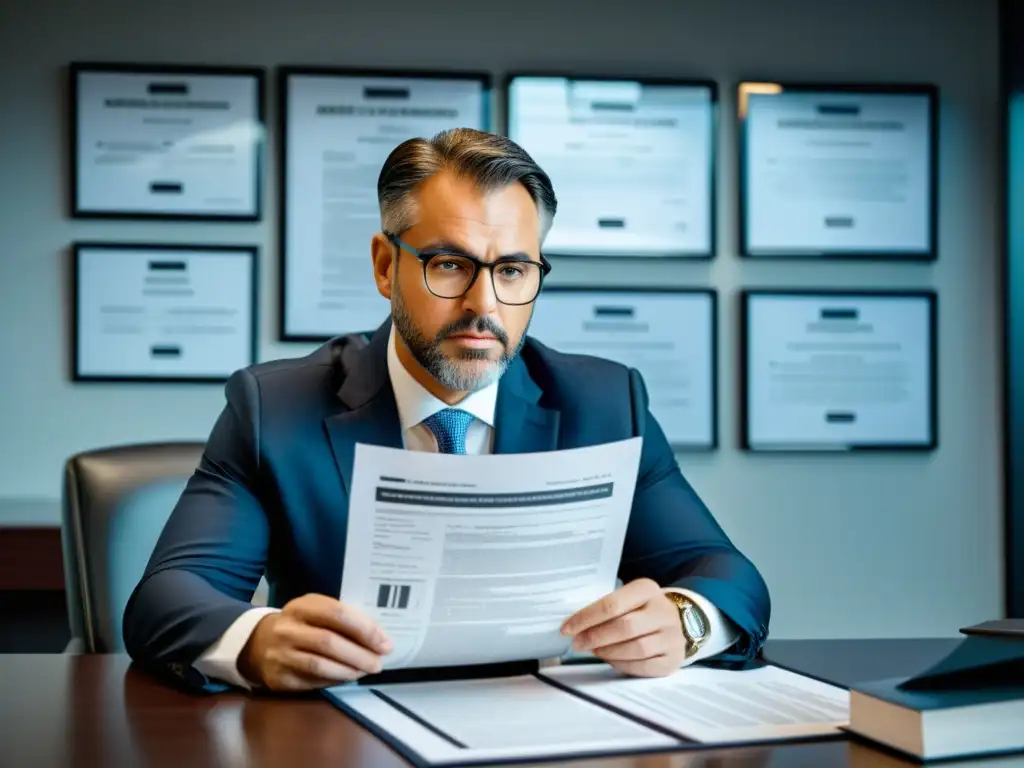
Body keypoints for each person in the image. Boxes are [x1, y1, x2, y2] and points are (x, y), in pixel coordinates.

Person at [123, 128, 770, 693]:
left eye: (514, 270)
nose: (483, 304)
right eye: (450, 264)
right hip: (344, 733)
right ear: (385, 265)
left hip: (550, 731)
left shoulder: (604, 403)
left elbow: (726, 572)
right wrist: (259, 642)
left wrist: (685, 621)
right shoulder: (275, 409)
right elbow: (166, 598)